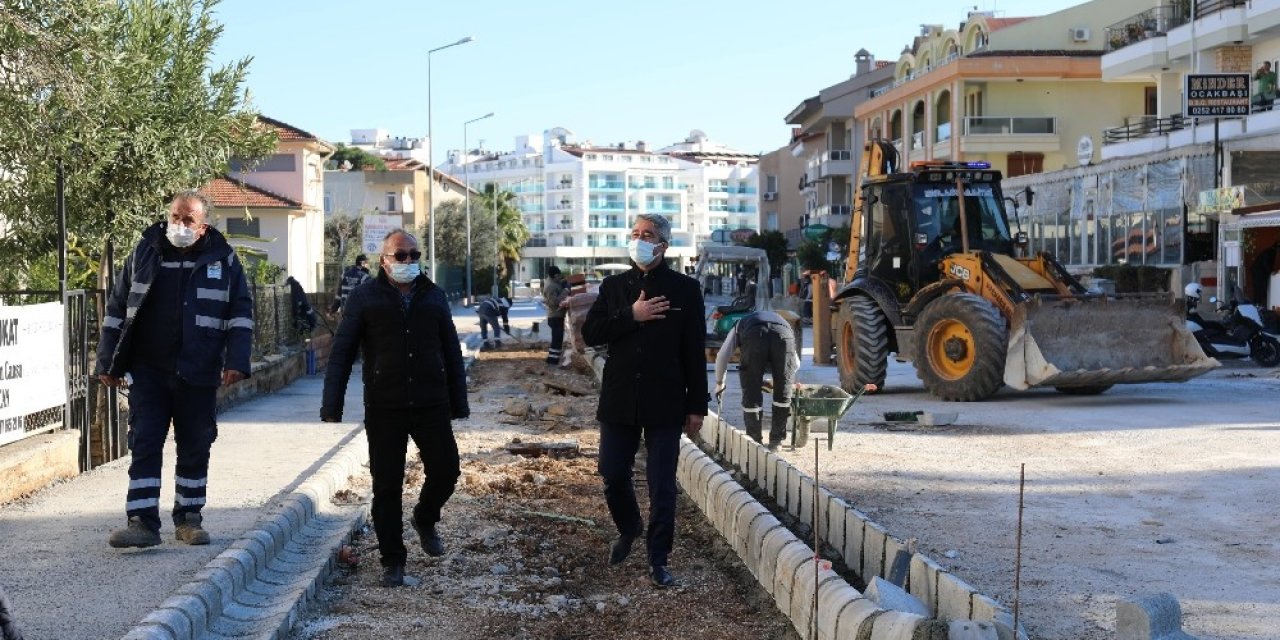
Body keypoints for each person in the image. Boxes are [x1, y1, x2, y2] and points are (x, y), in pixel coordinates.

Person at [96, 191, 253, 548]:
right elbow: (118, 307)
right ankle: (142, 522)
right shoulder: (145, 251)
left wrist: (237, 362)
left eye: (188, 220)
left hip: (198, 369)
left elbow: (240, 313)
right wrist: (107, 361)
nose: (179, 225)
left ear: (203, 226)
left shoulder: (223, 259)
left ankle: (189, 519)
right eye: (175, 217)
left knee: (195, 444)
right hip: (148, 369)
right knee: (145, 442)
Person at [321, 229, 469, 588]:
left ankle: (425, 516)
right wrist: (332, 405)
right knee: (386, 486)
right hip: (384, 405)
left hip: (431, 402)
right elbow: (342, 352)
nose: (408, 262)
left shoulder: (433, 296)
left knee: (447, 469)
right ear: (383, 259)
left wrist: (458, 401)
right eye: (400, 256)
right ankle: (393, 561)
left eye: (414, 256)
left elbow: (451, 350)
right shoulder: (364, 297)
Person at [582, 213, 707, 589]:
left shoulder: (685, 289)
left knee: (662, 484)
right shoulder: (613, 286)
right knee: (611, 471)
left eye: (647, 234)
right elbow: (591, 333)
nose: (639, 239)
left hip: (665, 399)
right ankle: (629, 526)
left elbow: (693, 350)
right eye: (635, 233)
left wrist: (696, 405)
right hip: (620, 398)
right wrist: (631, 315)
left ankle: (658, 559)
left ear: (663, 245)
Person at [713, 310, 799, 450]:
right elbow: (794, 363)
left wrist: (719, 383)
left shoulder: (739, 324)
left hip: (754, 335)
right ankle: (776, 442)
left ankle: (754, 443)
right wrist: (782, 381)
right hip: (784, 335)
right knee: (783, 395)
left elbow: (723, 355)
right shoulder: (783, 323)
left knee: (751, 392)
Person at [542, 265, 569, 365]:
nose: (560, 278)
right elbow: (554, 302)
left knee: (557, 339)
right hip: (555, 316)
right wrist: (566, 291)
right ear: (555, 275)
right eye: (559, 276)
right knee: (557, 340)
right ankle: (552, 361)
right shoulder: (551, 286)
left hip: (557, 316)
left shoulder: (553, 283)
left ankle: (553, 359)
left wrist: (563, 284)